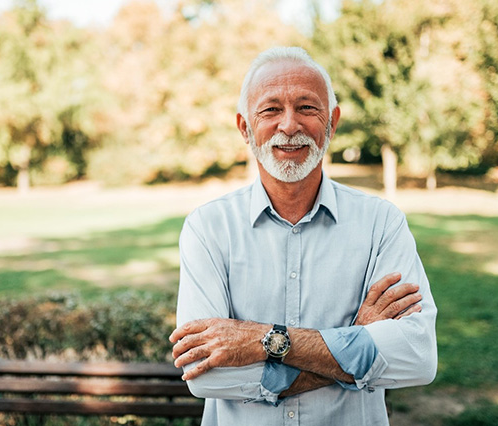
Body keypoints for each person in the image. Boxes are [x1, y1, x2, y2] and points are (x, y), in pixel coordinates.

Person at [169, 46, 437, 425]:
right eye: (271, 109)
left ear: (332, 122)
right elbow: (205, 371)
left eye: (307, 108)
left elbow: (417, 356)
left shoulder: (382, 223)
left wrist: (261, 340)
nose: (290, 125)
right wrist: (352, 342)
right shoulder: (208, 228)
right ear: (245, 127)